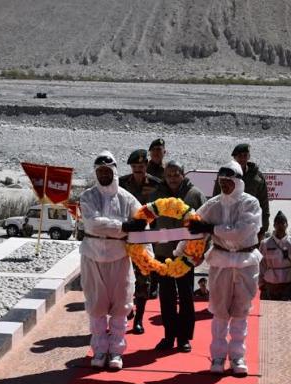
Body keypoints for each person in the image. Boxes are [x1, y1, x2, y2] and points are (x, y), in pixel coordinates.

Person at [188, 160, 262, 375]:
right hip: (220, 263)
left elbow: (240, 232)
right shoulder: (213, 204)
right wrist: (181, 252)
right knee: (220, 313)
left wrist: (211, 228)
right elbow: (193, 224)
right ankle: (218, 357)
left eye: (228, 181)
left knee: (240, 312)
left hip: (245, 263)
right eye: (221, 182)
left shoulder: (251, 203)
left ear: (237, 182)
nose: (224, 185)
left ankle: (238, 357)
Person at [79, 151, 144, 370]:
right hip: (93, 256)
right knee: (95, 306)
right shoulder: (88, 197)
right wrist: (124, 226)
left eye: (107, 171)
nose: (104, 175)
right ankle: (99, 350)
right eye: (100, 171)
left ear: (114, 171)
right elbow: (93, 224)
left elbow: (143, 223)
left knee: (120, 306)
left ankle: (116, 350)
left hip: (119, 257)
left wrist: (147, 258)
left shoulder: (127, 199)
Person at [152, 161, 206, 352]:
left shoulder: (195, 195)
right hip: (163, 254)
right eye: (169, 175)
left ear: (183, 174)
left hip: (186, 255)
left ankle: (184, 337)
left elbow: (205, 226)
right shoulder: (156, 195)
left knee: (185, 296)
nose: (172, 178)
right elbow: (149, 223)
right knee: (166, 296)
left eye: (176, 174)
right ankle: (169, 336)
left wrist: (201, 252)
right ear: (164, 176)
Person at [119, 149, 162, 334]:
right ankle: (127, 308)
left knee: (144, 278)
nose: (138, 169)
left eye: (141, 166)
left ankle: (139, 319)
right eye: (135, 166)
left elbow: (162, 210)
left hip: (146, 237)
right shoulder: (121, 183)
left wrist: (158, 235)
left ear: (146, 166)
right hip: (125, 237)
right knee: (123, 277)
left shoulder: (156, 184)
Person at [212, 143, 269, 242]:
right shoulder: (225, 175)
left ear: (249, 156)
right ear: (234, 157)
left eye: (245, 155)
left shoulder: (257, 177)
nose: (242, 158)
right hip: (227, 224)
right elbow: (216, 199)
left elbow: (264, 203)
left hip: (250, 226)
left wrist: (263, 229)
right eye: (239, 156)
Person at [259, 211, 291, 301]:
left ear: (287, 225)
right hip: (270, 285)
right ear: (274, 225)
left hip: (288, 285)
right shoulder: (265, 243)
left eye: (282, 223)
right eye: (278, 223)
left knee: (287, 308)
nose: (280, 226)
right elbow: (261, 265)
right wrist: (260, 283)